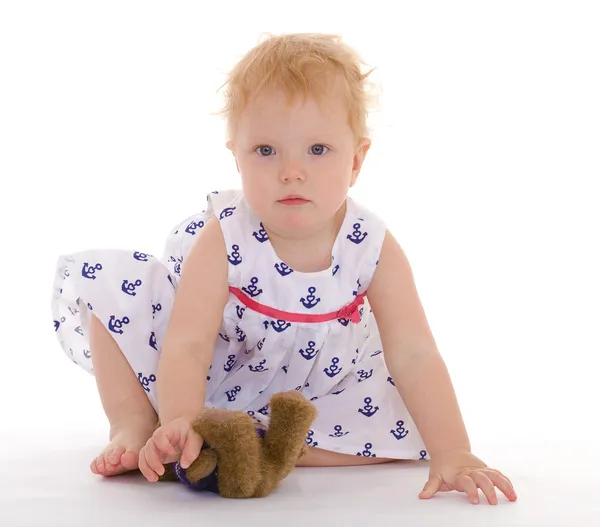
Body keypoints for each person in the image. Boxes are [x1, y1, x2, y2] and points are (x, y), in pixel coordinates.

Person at [51, 32, 517, 505]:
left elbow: (415, 353)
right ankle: (136, 424)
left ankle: (272, 444)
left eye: (318, 150)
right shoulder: (225, 236)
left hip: (314, 395)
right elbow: (188, 344)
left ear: (356, 160)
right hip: (209, 376)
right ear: (237, 156)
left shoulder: (371, 245)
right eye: (266, 151)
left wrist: (454, 450)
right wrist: (182, 417)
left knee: (412, 423)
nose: (291, 171)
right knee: (111, 296)